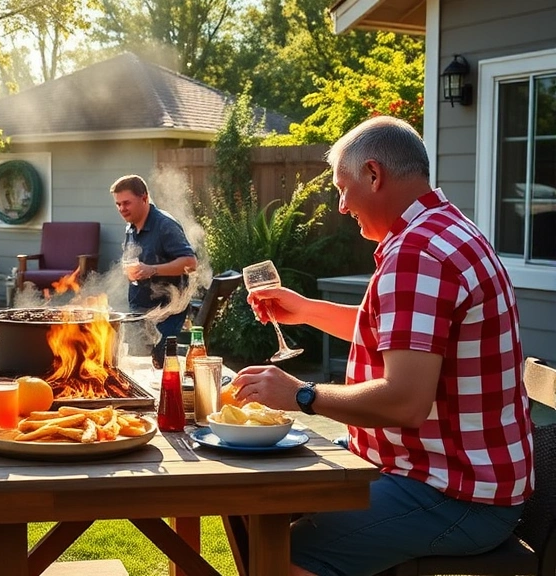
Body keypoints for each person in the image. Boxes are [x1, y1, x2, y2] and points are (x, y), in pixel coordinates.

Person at [232, 116, 532, 576]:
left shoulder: (418, 254)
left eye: (343, 188)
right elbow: (403, 337)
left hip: (455, 495)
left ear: (374, 175)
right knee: (261, 500)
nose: (341, 205)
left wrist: (301, 395)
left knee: (279, 555)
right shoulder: (440, 230)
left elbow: (405, 401)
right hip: (443, 475)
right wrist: (307, 309)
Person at [110, 174, 197, 367]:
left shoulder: (165, 225)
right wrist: (131, 271)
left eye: (126, 203)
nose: (122, 209)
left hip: (166, 315)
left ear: (144, 198)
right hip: (139, 313)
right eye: (118, 204)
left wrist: (152, 270)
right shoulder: (130, 228)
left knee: (160, 370)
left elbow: (190, 263)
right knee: (134, 368)